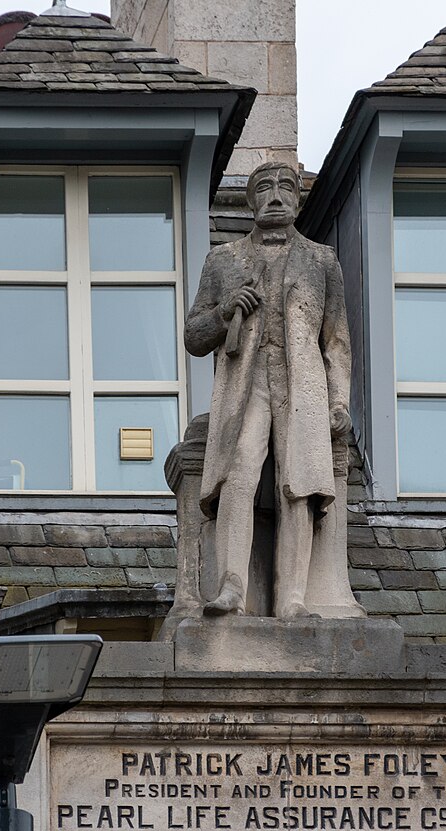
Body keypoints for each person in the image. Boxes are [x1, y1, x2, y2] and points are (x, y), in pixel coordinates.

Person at [185, 161, 352, 618]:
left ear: (297, 197)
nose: (275, 195)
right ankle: (232, 588)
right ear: (251, 199)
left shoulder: (322, 260)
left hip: (303, 385)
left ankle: (292, 598)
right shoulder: (224, 260)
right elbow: (194, 337)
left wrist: (339, 401)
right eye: (264, 187)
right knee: (238, 475)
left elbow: (336, 341)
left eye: (285, 186)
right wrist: (223, 312)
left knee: (296, 484)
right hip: (246, 381)